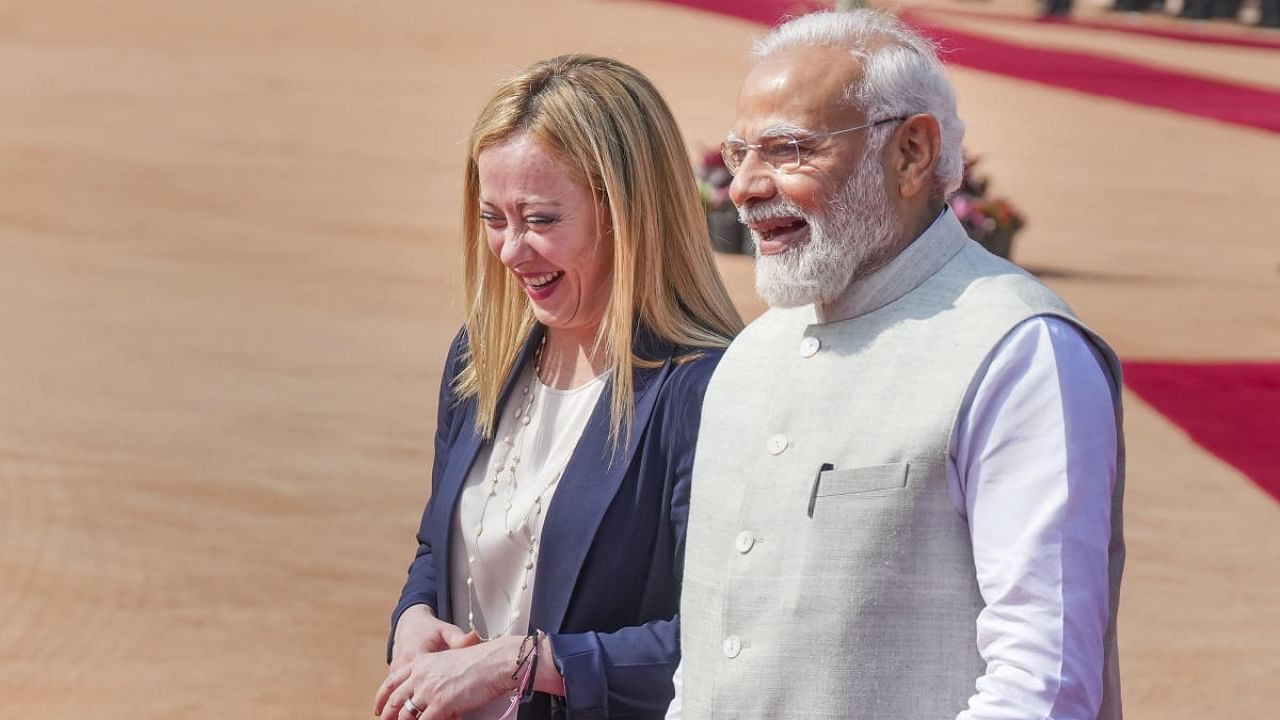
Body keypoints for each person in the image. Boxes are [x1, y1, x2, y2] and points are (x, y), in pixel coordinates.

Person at [669, 10, 1125, 720]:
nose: (744, 189)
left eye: (787, 150)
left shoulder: (1020, 352)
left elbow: (1042, 683)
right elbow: (707, 663)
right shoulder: (751, 358)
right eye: (738, 156)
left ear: (912, 153)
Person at [374, 54, 743, 720]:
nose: (511, 250)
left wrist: (520, 664)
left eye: (540, 220)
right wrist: (414, 617)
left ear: (628, 215)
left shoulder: (705, 392)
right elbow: (440, 544)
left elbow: (725, 643)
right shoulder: (480, 355)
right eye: (493, 218)